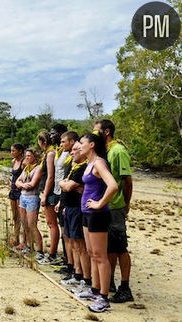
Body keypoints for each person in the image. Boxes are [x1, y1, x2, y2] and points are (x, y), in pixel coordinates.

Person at [76, 131, 118, 313]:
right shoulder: (88, 163)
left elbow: (113, 185)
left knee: (101, 256)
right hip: (86, 213)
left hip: (97, 215)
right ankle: (94, 289)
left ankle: (104, 297)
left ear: (92, 144)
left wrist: (100, 203)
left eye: (82, 142)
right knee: (92, 253)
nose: (79, 145)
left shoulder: (99, 162)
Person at [94, 119, 134, 303]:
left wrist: (125, 205)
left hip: (115, 206)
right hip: (105, 206)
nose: (94, 135)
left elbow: (127, 181)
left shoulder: (118, 151)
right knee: (109, 247)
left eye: (97, 131)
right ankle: (108, 282)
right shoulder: (104, 151)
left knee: (120, 247)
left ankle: (125, 287)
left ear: (107, 132)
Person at [58, 140, 91, 291]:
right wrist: (65, 184)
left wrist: (66, 184)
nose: (72, 152)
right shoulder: (74, 167)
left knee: (80, 244)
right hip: (69, 207)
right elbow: (65, 184)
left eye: (76, 150)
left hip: (78, 209)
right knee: (72, 242)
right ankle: (76, 273)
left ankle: (86, 278)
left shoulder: (83, 168)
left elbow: (69, 186)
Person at [53, 131, 78, 274]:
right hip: (63, 198)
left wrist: (63, 184)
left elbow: (67, 182)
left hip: (72, 202)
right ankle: (69, 263)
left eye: (64, 142)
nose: (61, 145)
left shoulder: (74, 161)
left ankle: (75, 268)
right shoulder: (66, 156)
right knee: (66, 234)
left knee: (72, 237)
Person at [36, 130, 61, 264]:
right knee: (50, 223)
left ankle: (52, 253)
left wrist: (45, 195)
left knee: (52, 224)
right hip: (46, 191)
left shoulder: (51, 154)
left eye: (39, 142)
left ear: (43, 142)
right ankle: (52, 252)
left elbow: (51, 176)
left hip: (50, 193)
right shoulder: (48, 153)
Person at [15, 148, 43, 257]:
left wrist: (23, 184)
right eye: (26, 156)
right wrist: (22, 185)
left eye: (29, 156)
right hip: (23, 197)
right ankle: (29, 246)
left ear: (35, 156)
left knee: (32, 225)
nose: (27, 158)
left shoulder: (38, 168)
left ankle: (40, 250)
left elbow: (32, 184)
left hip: (32, 197)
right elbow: (18, 181)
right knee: (24, 223)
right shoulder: (26, 168)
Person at [9, 143, 25, 248]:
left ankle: (24, 241)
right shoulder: (13, 161)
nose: (11, 153)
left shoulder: (24, 162)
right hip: (13, 190)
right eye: (11, 151)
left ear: (20, 151)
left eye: (13, 150)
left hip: (20, 191)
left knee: (22, 217)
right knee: (15, 216)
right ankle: (16, 237)